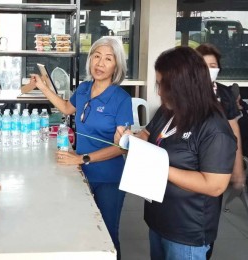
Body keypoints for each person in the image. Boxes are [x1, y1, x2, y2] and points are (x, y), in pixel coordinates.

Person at [116, 46, 236, 260]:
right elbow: (147, 135)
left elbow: (214, 185)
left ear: (184, 86)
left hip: (186, 232)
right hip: (159, 219)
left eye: (164, 85)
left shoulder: (213, 128)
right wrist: (128, 140)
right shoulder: (168, 111)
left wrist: (159, 167)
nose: (159, 92)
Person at [32, 36, 133, 260]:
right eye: (96, 56)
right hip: (80, 173)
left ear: (117, 65)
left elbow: (122, 148)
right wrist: (43, 88)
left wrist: (82, 158)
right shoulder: (85, 88)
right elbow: (67, 108)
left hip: (108, 178)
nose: (100, 63)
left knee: (107, 234)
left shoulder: (121, 99)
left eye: (108, 59)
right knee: (82, 228)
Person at [195, 43, 246, 190]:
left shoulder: (225, 93)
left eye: (213, 65)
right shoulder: (186, 92)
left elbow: (234, 130)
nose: (208, 70)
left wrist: (238, 166)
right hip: (192, 156)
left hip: (216, 157)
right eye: (204, 65)